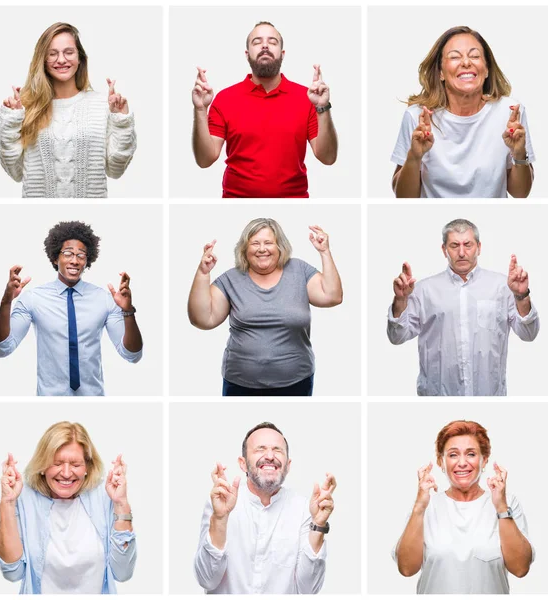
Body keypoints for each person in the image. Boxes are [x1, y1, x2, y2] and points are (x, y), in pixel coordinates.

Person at [187, 218, 342, 395]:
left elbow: (332, 297)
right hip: (239, 383)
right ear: (245, 248)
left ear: (280, 247)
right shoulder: (230, 279)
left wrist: (325, 252)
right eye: (255, 243)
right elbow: (202, 319)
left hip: (297, 381)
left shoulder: (299, 270)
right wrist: (203, 273)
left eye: (268, 242)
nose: (262, 249)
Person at [387, 218, 539, 395]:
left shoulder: (502, 287)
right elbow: (396, 337)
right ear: (444, 250)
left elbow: (529, 334)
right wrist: (400, 300)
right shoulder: (423, 290)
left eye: (468, 245)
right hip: (437, 398)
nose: (461, 252)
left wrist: (521, 296)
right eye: (454, 245)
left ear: (479, 247)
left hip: (489, 396)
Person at [0, 220, 143, 395]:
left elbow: (132, 355)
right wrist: (6, 302)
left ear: (88, 260)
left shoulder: (104, 299)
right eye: (68, 253)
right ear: (56, 257)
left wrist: (127, 311)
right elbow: (1, 349)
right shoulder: (34, 299)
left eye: (81, 255)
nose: (75, 261)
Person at [192, 21, 338, 198]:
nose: (265, 45)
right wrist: (200, 109)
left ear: (282, 54)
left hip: (293, 202)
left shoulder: (307, 98)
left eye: (272, 41)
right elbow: (205, 160)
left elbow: (328, 157)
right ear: (247, 54)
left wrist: (322, 106)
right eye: (257, 41)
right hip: (236, 202)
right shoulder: (225, 99)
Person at [391, 26, 534, 198]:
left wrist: (519, 153)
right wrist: (414, 157)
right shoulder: (418, 116)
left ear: (487, 69)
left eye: (474, 56)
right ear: (441, 72)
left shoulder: (510, 113)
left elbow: (520, 193)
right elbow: (404, 197)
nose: (466, 62)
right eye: (454, 57)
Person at [194, 422, 336, 594]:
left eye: (277, 450)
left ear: (288, 465)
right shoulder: (220, 503)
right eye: (260, 449)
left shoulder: (304, 509)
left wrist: (318, 525)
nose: (270, 456)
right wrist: (220, 518)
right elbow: (207, 580)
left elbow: (308, 590)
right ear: (243, 463)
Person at [393, 420, 533, 593]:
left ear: (484, 460)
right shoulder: (426, 506)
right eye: (453, 455)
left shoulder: (507, 503)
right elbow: (406, 568)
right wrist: (419, 507)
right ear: (440, 461)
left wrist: (501, 507)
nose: (462, 463)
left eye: (471, 454)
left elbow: (520, 568)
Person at [0, 22, 136, 198]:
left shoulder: (102, 105)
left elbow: (116, 170)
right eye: (52, 54)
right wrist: (11, 121)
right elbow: (14, 172)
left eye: (69, 52)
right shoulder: (26, 107)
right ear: (43, 59)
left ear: (80, 58)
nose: (61, 59)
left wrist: (121, 120)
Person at [0, 421, 136, 594]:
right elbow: (12, 572)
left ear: (87, 467)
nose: (65, 473)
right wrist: (8, 503)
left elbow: (123, 573)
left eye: (76, 465)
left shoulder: (104, 496)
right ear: (42, 466)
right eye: (56, 463)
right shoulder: (26, 497)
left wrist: (121, 503)